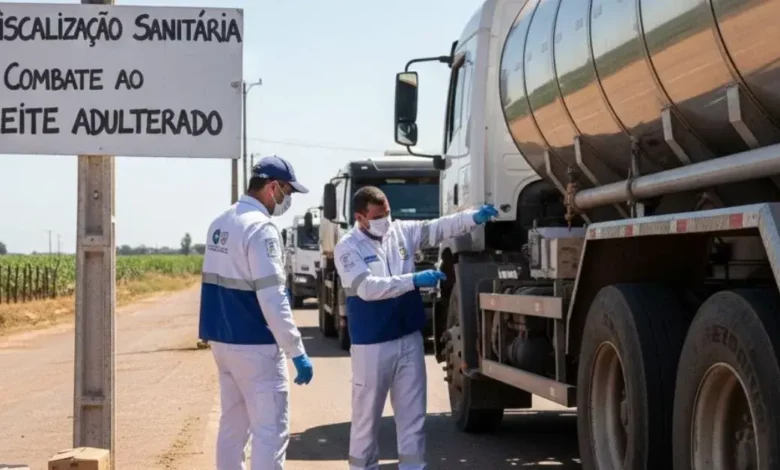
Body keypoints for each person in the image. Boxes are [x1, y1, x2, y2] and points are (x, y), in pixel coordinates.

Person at [333, 186, 498, 470]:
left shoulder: (401, 232)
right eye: (378, 215)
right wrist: (413, 280)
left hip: (408, 340)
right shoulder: (347, 247)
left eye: (387, 212)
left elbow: (439, 227)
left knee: (413, 418)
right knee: (366, 420)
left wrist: (474, 218)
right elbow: (367, 289)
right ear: (361, 217)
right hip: (372, 346)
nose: (386, 219)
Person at [199, 155, 315, 470]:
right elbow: (273, 297)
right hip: (255, 346)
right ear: (272, 187)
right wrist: (296, 350)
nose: (287, 200)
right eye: (287, 193)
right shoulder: (261, 229)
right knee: (270, 431)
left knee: (233, 428)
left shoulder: (220, 222)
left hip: (222, 341)